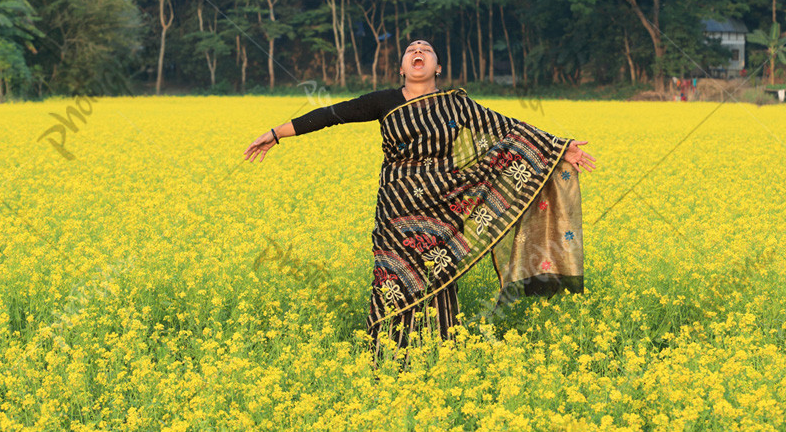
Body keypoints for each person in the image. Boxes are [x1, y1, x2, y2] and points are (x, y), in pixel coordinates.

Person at [243, 40, 596, 362]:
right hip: (396, 205)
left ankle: (441, 352)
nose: (418, 52)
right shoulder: (383, 101)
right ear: (401, 67)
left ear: (437, 67)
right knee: (390, 276)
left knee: (440, 272)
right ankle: (384, 353)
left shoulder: (457, 103)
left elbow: (508, 129)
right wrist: (276, 134)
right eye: (411, 50)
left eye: (426, 50)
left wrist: (559, 148)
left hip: (444, 205)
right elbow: (331, 115)